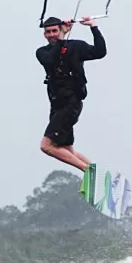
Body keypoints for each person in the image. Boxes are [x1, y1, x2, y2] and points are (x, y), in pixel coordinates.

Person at [36, 15, 107, 175]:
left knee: (46, 146)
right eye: (48, 32)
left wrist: (93, 27)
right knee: (64, 149)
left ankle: (88, 172)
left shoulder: (76, 47)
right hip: (56, 105)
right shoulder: (42, 52)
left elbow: (100, 52)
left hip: (71, 103)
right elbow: (52, 60)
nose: (51, 34)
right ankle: (99, 173)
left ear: (62, 30)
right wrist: (61, 39)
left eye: (55, 31)